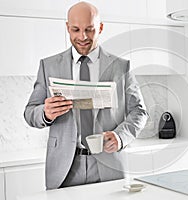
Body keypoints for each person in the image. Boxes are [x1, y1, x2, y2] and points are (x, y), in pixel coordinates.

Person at [24, 1, 148, 190]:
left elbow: (139, 112)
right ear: (67, 28)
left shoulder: (120, 66)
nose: (82, 37)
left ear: (100, 27)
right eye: (76, 30)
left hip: (109, 166)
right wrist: (45, 113)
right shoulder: (48, 66)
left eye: (90, 30)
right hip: (64, 169)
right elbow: (30, 112)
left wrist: (120, 136)